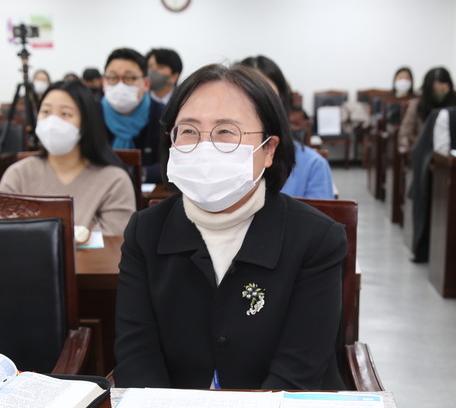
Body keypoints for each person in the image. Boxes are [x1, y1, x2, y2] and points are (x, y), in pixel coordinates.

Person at [113, 63, 347, 390]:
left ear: (268, 149)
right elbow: (137, 355)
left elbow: (299, 369)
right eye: (189, 131)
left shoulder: (316, 239)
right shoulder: (145, 230)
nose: (205, 147)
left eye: (226, 131)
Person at [0, 80, 135, 236]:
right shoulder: (18, 174)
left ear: (85, 123)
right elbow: (2, 232)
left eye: (65, 114)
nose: (52, 122)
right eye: (46, 112)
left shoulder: (114, 180)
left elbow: (116, 240)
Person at [239, 55, 333, 199]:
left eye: (268, 98)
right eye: (247, 99)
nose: (258, 109)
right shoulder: (212, 160)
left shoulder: (312, 165)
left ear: (282, 104)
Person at [100, 47, 166, 183]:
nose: (120, 85)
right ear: (104, 83)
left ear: (146, 84)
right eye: (112, 78)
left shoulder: (163, 115)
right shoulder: (91, 113)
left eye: (129, 78)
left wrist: (136, 174)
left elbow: (170, 165)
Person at [398, 67, 456, 152]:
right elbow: (404, 135)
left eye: (443, 90)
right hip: (424, 152)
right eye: (436, 90)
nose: (439, 93)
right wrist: (418, 142)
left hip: (450, 151)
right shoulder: (417, 105)